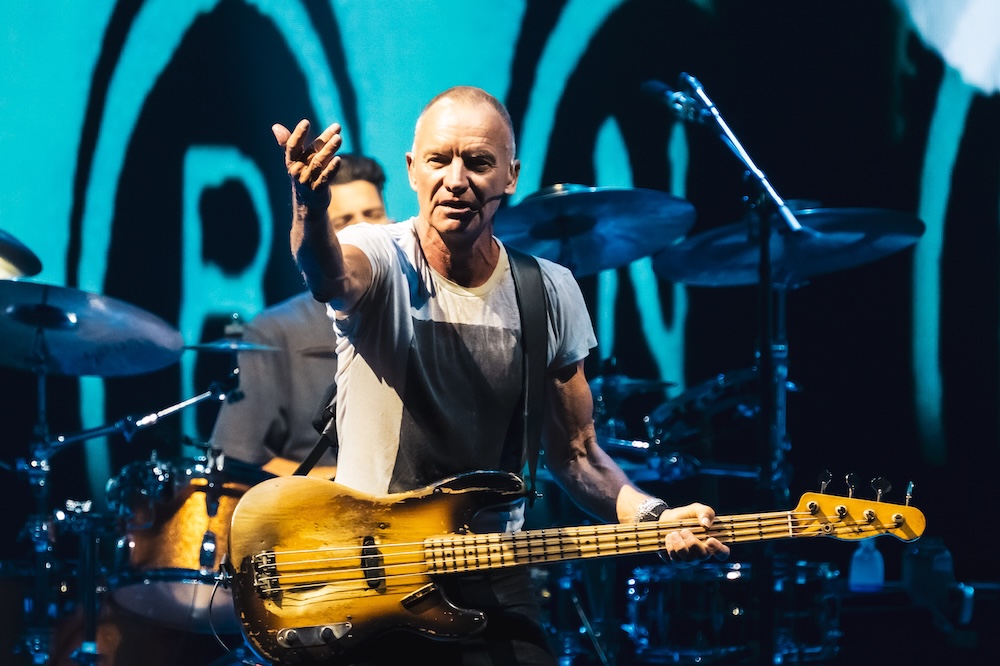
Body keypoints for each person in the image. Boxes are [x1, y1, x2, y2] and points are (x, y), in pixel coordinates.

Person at [270, 86, 730, 665]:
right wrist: (309, 209)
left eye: (478, 162)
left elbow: (578, 455)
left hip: (493, 573)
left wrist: (655, 518)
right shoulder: (381, 254)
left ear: (510, 176)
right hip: (375, 573)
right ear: (412, 170)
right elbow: (329, 275)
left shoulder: (549, 290)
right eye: (439, 160)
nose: (456, 180)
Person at [210, 153, 391, 478]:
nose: (363, 231)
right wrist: (335, 487)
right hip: (319, 506)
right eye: (344, 221)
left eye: (372, 215)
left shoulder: (423, 310)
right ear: (320, 238)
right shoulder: (275, 331)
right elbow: (238, 457)